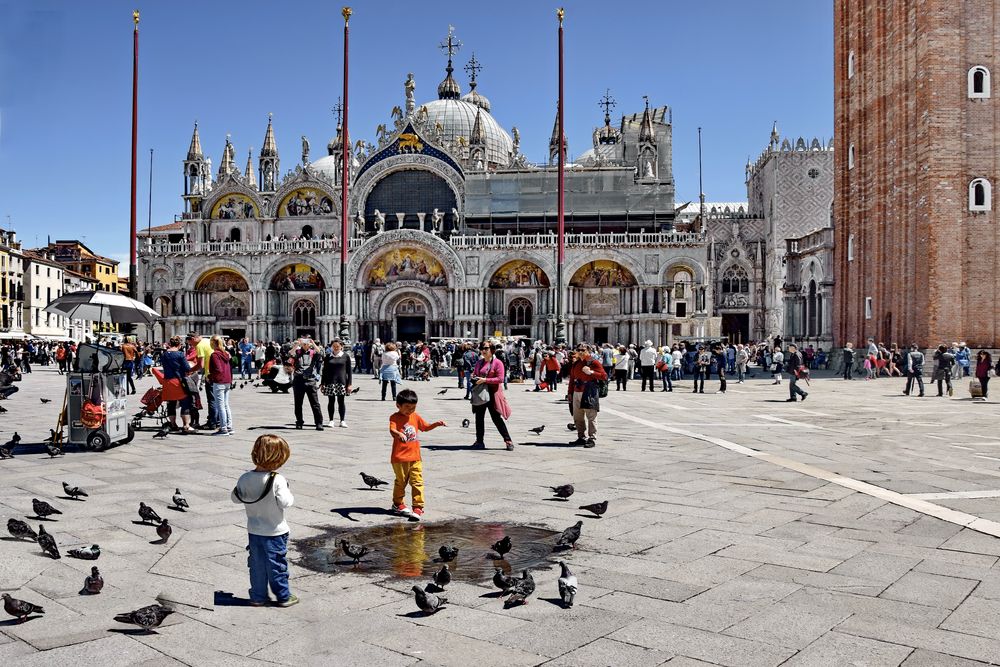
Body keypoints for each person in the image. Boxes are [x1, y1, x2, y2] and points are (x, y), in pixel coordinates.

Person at [231, 434, 298, 608]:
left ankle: (258, 597)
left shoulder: (244, 478)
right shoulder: (278, 479)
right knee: (276, 565)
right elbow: (285, 503)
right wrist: (288, 492)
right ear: (279, 458)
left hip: (254, 530)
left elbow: (235, 498)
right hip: (275, 531)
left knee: (257, 565)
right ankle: (283, 596)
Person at [388, 389, 445, 519]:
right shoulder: (394, 417)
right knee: (401, 482)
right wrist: (399, 433)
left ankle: (418, 507)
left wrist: (436, 424)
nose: (410, 410)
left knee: (417, 481)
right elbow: (392, 429)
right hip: (399, 458)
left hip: (415, 457)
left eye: (413, 408)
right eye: (407, 407)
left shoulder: (415, 416)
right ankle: (398, 503)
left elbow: (425, 427)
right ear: (398, 405)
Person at [470, 341, 514, 451]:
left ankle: (508, 440)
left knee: (496, 418)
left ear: (492, 350)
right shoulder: (479, 363)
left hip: (493, 393)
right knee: (479, 418)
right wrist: (474, 377)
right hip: (481, 393)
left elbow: (500, 379)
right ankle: (479, 441)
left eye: (485, 348)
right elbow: (475, 374)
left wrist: (485, 380)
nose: (483, 351)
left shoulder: (498, 363)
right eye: (481, 348)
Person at [567, 344, 607, 448]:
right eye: (578, 349)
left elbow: (604, 376)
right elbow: (571, 379)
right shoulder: (576, 364)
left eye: (583, 350)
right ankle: (581, 437)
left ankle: (592, 438)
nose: (580, 351)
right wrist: (570, 393)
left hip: (589, 390)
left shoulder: (593, 362)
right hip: (577, 391)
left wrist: (591, 372)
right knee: (577, 416)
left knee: (591, 416)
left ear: (588, 351)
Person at [160, 336, 194, 433]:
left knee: (171, 403)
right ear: (179, 344)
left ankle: (173, 424)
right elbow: (187, 368)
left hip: (167, 381)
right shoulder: (180, 354)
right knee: (185, 402)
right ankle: (186, 425)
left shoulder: (164, 354)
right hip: (178, 381)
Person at [290, 339, 324, 430]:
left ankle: (319, 423)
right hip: (298, 380)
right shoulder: (297, 352)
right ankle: (299, 422)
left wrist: (313, 343)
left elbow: (320, 352)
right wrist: (296, 344)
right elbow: (290, 354)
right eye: (304, 343)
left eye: (307, 343)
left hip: (310, 380)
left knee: (315, 403)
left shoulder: (313, 353)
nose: (305, 345)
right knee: (298, 403)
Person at [321, 339, 353, 427]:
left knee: (341, 401)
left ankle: (342, 420)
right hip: (330, 381)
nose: (335, 348)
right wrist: (322, 383)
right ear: (331, 347)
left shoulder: (346, 356)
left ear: (341, 347)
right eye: (334, 346)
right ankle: (331, 420)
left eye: (337, 346)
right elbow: (324, 371)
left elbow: (349, 371)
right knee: (331, 401)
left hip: (342, 381)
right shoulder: (328, 357)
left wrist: (349, 384)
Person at [209, 335, 233, 435]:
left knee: (220, 406)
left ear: (213, 343)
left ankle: (223, 429)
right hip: (227, 381)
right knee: (226, 405)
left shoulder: (215, 355)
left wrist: (210, 377)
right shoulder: (225, 353)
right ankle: (229, 426)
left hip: (219, 382)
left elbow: (218, 369)